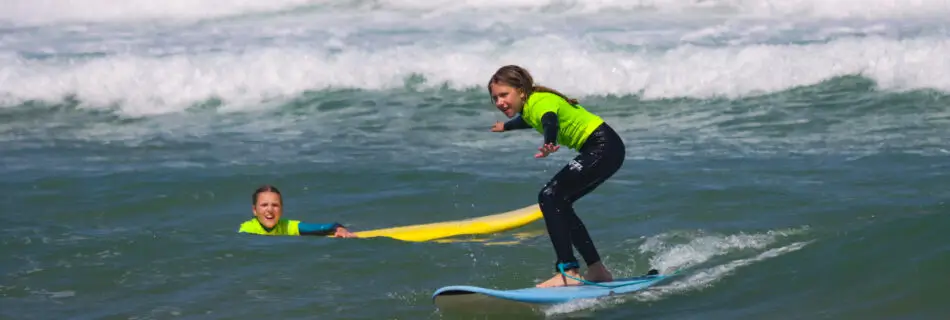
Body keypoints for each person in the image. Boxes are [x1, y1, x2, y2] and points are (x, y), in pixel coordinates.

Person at [487, 65, 625, 288]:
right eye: (495, 98)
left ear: (521, 90)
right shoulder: (531, 106)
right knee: (559, 201)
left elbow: (549, 121)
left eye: (504, 95)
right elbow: (531, 120)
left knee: (549, 196)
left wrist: (549, 142)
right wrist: (507, 127)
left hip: (602, 147)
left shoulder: (540, 102)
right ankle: (597, 270)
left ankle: (569, 271)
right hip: (606, 148)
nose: (499, 102)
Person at [238, 184, 357, 237]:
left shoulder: (288, 226)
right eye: (264, 205)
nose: (270, 210)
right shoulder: (247, 230)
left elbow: (323, 227)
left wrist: (339, 229)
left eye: (275, 205)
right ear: (254, 210)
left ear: (281, 209)